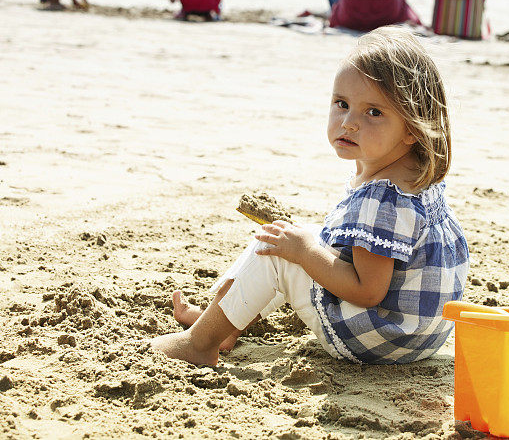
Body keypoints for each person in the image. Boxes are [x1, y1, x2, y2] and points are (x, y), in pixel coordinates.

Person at [152, 26, 469, 366]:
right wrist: (304, 247)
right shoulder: (414, 178)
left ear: (412, 128)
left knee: (275, 249)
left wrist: (303, 251)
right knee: (290, 238)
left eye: (373, 112)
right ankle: (224, 321)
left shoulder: (381, 199)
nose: (349, 123)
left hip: (378, 339)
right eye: (342, 104)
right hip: (421, 337)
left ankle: (200, 343)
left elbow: (367, 291)